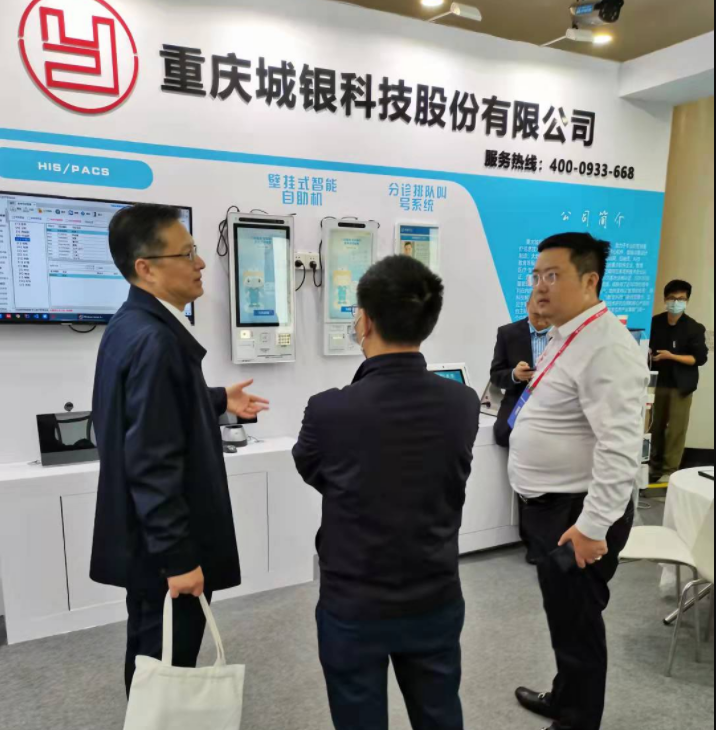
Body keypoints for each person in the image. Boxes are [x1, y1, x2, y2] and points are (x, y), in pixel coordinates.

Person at [293, 255, 480, 730]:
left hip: (353, 602)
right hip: (435, 593)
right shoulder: (462, 402)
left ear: (365, 322)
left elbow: (312, 469)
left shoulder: (328, 410)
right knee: (440, 715)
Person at [90, 204, 269, 697]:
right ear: (145, 268)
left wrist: (217, 399)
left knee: (152, 656)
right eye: (187, 253)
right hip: (165, 549)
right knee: (167, 667)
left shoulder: (132, 324)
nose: (201, 263)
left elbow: (148, 413)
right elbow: (152, 461)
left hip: (144, 542)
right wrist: (179, 559)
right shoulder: (155, 340)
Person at [509, 233, 649, 730]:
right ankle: (564, 697)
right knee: (566, 617)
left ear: (590, 281)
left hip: (578, 514)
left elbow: (620, 448)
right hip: (554, 507)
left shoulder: (607, 347)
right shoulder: (569, 334)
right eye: (537, 276)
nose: (540, 286)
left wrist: (592, 527)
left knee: (579, 624)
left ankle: (576, 722)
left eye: (553, 276)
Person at [649, 280, 709, 483]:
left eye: (681, 299)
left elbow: (699, 359)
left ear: (687, 301)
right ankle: (653, 465)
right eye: (672, 298)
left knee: (676, 429)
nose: (676, 302)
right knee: (654, 426)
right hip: (657, 382)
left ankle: (669, 470)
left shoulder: (694, 328)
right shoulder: (655, 323)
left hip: (681, 386)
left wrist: (671, 356)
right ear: (665, 299)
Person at [490, 294, 552, 449]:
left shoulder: (565, 335)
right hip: (519, 398)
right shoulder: (507, 333)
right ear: (527, 306)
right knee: (503, 434)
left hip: (554, 401)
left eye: (546, 316)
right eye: (536, 315)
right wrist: (514, 375)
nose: (541, 321)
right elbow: (495, 375)